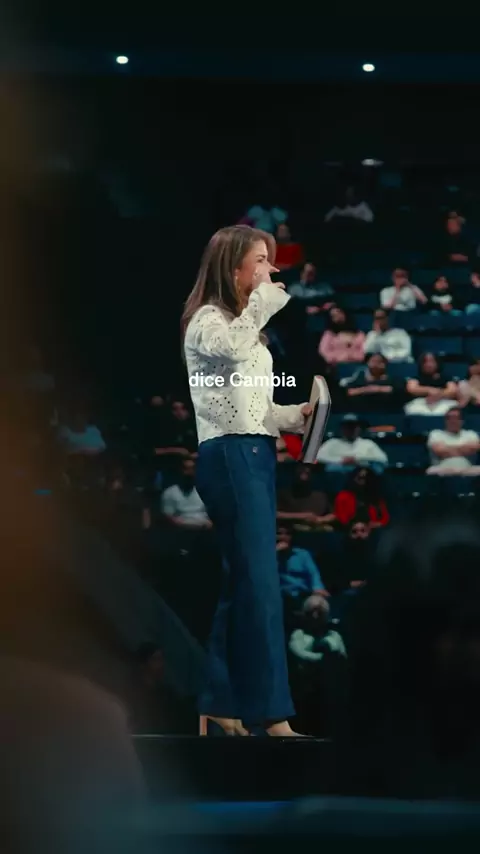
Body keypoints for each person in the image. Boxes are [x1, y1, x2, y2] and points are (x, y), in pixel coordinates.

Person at [182, 224, 311, 737]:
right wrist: (262, 303)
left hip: (254, 452)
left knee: (245, 583)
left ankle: (221, 702)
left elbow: (253, 406)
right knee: (259, 586)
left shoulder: (245, 327)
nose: (270, 270)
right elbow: (232, 352)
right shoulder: (207, 322)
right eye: (260, 260)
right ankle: (271, 713)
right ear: (232, 267)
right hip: (230, 456)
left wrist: (295, 416)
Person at [317, 413, 388, 469]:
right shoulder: (332, 443)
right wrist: (341, 460)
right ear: (342, 428)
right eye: (348, 426)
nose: (351, 429)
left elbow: (383, 459)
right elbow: (318, 457)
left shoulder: (368, 444)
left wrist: (357, 460)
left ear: (359, 428)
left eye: (353, 427)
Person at [276, 524, 326, 601]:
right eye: (279, 533)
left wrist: (318, 588)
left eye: (287, 534)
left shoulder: (302, 554)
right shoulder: (269, 556)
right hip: (279, 595)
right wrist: (275, 553)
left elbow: (313, 573)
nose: (283, 537)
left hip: (302, 594)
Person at [277, 462, 335, 528]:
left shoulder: (322, 496)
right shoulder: (282, 494)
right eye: (301, 466)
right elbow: (274, 514)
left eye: (309, 467)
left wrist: (321, 520)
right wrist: (302, 516)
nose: (306, 470)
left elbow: (334, 515)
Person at [427, 407, 480, 475]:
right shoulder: (436, 434)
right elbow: (439, 451)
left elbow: (473, 449)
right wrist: (463, 449)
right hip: (442, 469)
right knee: (431, 470)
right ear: (445, 421)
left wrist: (447, 449)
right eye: (449, 418)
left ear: (462, 421)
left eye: (456, 418)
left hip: (467, 469)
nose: (453, 421)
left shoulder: (471, 434)